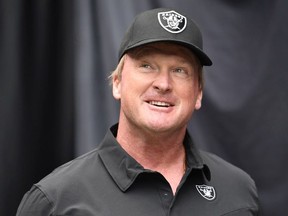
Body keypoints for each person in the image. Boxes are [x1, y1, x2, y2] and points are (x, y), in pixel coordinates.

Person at [16, 8, 260, 216]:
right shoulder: (56, 201)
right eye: (146, 66)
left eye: (180, 70)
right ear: (118, 82)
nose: (163, 84)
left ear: (198, 93)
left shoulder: (239, 192)